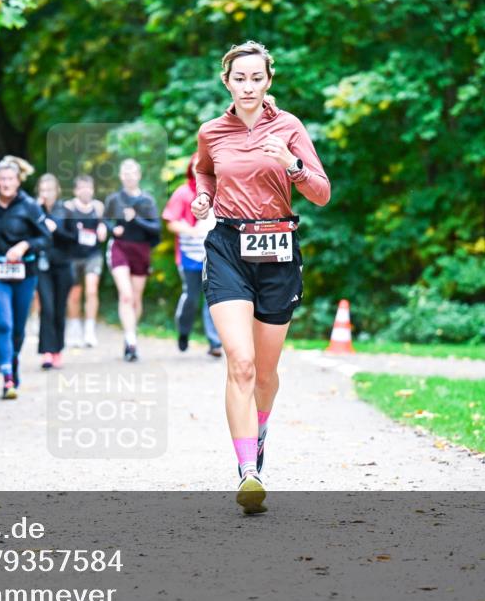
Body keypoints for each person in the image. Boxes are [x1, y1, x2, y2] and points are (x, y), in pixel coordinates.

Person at [192, 41, 330, 513]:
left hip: (278, 248)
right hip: (228, 246)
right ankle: (248, 470)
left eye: (256, 78)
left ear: (268, 80)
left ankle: (259, 432)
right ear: (226, 81)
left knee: (267, 373)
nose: (248, 86)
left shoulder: (288, 126)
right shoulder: (212, 131)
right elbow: (204, 174)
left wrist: (290, 164)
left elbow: (322, 193)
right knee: (241, 363)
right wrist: (203, 199)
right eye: (239, 78)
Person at [0, 156, 52, 399]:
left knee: (17, 327)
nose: (5, 183)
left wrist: (24, 245)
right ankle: (6, 376)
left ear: (18, 181)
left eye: (10, 179)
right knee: (2, 322)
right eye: (2, 179)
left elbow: (46, 238)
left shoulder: (29, 206)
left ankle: (13, 360)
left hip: (25, 273)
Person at [163, 153, 222, 358]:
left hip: (214, 256)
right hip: (189, 256)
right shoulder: (183, 192)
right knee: (191, 297)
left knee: (212, 298)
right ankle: (184, 331)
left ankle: (215, 343)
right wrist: (192, 231)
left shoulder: (220, 191)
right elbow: (171, 221)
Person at [103, 159, 161, 362]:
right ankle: (131, 340)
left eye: (132, 173)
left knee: (136, 298)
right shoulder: (114, 199)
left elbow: (156, 228)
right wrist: (112, 229)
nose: (129, 176)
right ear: (121, 176)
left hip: (141, 250)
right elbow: (104, 220)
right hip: (120, 248)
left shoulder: (147, 200)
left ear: (138, 175)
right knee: (126, 295)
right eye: (125, 173)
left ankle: (130, 335)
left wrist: (135, 218)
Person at [35, 174, 77, 369]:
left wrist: (55, 230)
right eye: (43, 190)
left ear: (57, 191)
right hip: (42, 267)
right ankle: (46, 352)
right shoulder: (34, 211)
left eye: (49, 190)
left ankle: (57, 350)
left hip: (63, 266)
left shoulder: (66, 211)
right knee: (47, 308)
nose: (46, 194)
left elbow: (73, 238)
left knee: (59, 309)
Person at [64, 175, 107, 348]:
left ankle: (89, 330)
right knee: (74, 294)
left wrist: (103, 228)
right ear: (75, 190)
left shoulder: (98, 207)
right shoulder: (68, 208)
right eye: (81, 187)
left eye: (88, 187)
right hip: (72, 255)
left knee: (91, 291)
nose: (85, 191)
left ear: (93, 189)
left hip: (92, 255)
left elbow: (104, 224)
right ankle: (74, 328)